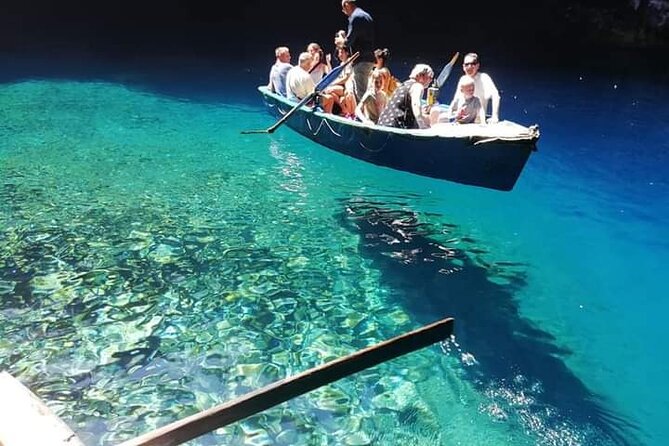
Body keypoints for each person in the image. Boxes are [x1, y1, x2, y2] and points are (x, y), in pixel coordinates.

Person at [334, 0, 375, 102]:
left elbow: (348, 41)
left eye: (343, 8)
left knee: (361, 92)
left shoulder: (355, 17)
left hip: (361, 60)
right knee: (365, 90)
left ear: (347, 4)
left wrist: (340, 42)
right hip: (369, 58)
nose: (344, 12)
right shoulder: (366, 16)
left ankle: (365, 116)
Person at [377, 64, 434, 129]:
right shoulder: (417, 86)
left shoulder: (404, 85)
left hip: (382, 124)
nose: (431, 80)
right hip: (396, 128)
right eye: (430, 76)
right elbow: (416, 105)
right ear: (421, 75)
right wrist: (422, 126)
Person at [451, 52, 500, 123]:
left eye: (473, 64)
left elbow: (496, 96)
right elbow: (456, 100)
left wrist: (495, 116)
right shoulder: (463, 79)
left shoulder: (484, 78)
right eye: (467, 64)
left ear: (478, 66)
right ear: (463, 67)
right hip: (461, 120)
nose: (469, 67)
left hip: (477, 121)